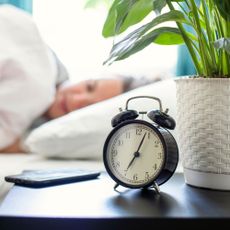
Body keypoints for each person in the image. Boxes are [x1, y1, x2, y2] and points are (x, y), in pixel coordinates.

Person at [0, 4, 164, 154]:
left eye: (87, 108)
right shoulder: (40, 79)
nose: (76, 100)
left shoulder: (32, 132)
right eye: (89, 86)